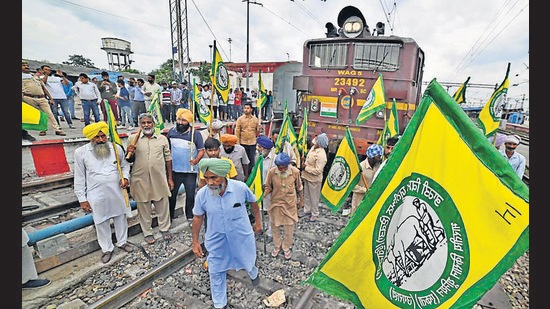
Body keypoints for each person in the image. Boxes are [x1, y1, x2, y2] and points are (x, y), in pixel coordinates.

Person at [192, 158, 262, 309]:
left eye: (214, 178)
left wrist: (258, 222)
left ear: (224, 176)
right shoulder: (202, 195)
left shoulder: (240, 188)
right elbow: (197, 217)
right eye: (207, 178)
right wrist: (195, 242)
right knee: (216, 270)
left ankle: (253, 272)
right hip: (216, 239)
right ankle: (220, 304)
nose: (210, 182)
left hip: (241, 236)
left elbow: (253, 202)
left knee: (247, 259)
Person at [73, 122, 134, 263]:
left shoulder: (115, 148)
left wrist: (125, 177)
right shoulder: (81, 153)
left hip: (117, 191)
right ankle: (107, 249)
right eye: (97, 137)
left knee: (120, 217)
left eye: (103, 136)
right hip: (96, 194)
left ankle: (122, 242)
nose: (101, 140)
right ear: (91, 138)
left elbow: (124, 166)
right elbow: (80, 176)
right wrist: (82, 198)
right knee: (101, 222)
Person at [126, 113, 174, 244]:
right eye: (143, 123)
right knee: (143, 206)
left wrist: (170, 178)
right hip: (140, 178)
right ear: (140, 125)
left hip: (159, 177)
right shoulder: (132, 139)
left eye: (149, 122)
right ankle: (147, 232)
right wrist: (130, 151)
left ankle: (164, 229)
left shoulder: (162, 139)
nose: (146, 125)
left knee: (162, 204)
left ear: (153, 124)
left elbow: (168, 159)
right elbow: (128, 160)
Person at [166, 108, 205, 224]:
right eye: (179, 119)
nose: (180, 122)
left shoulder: (195, 134)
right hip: (174, 171)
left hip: (190, 171)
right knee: (171, 195)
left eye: (183, 120)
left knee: (190, 195)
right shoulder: (171, 132)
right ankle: (170, 217)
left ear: (188, 122)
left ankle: (189, 216)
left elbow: (201, 150)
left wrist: (196, 160)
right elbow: (167, 149)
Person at [264, 152, 303, 260]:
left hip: (289, 204)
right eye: (279, 168)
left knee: (289, 227)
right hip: (276, 203)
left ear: (287, 166)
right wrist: (263, 195)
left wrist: (301, 201)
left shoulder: (295, 172)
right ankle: (277, 246)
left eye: (284, 168)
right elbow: (268, 186)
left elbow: (299, 187)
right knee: (275, 226)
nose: (282, 170)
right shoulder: (272, 172)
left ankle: (286, 247)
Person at [22, 60, 66, 137]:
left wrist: (51, 98)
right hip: (28, 98)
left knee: (50, 114)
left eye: (27, 65)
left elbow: (44, 88)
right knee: (39, 115)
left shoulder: (34, 76)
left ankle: (57, 129)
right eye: (24, 65)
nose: (26, 67)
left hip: (42, 98)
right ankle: (42, 130)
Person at [299, 132, 328, 222]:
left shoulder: (321, 155)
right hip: (306, 176)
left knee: (314, 197)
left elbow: (318, 170)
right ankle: (307, 210)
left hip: (314, 179)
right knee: (306, 195)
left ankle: (315, 213)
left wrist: (306, 167)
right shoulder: (313, 148)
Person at [350, 144, 383, 215]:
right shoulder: (361, 167)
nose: (380, 158)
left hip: (371, 202)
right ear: (372, 157)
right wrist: (365, 190)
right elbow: (352, 186)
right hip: (359, 201)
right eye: (378, 157)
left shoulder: (378, 167)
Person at [40, 65, 76, 130]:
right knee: (55, 112)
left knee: (66, 111)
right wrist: (46, 75)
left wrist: (62, 76)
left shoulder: (57, 78)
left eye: (49, 69)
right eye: (46, 69)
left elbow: (66, 83)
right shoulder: (41, 77)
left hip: (62, 97)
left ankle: (70, 124)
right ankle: (57, 125)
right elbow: (43, 82)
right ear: (42, 70)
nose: (48, 71)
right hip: (52, 97)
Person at [256, 135, 276, 238]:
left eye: (260, 147)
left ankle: (270, 233)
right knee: (259, 210)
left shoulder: (274, 160)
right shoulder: (258, 156)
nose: (258, 149)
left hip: (271, 191)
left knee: (271, 212)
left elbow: (277, 177)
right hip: (259, 190)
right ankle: (259, 228)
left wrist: (268, 185)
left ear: (266, 148)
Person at [235, 102, 262, 175]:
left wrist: (259, 127)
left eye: (248, 108)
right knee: (243, 161)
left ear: (251, 109)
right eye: (245, 108)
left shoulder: (256, 119)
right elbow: (237, 131)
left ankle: (250, 176)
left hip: (252, 143)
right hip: (243, 143)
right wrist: (237, 143)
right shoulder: (240, 119)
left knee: (251, 160)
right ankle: (244, 175)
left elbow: (257, 132)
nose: (246, 110)